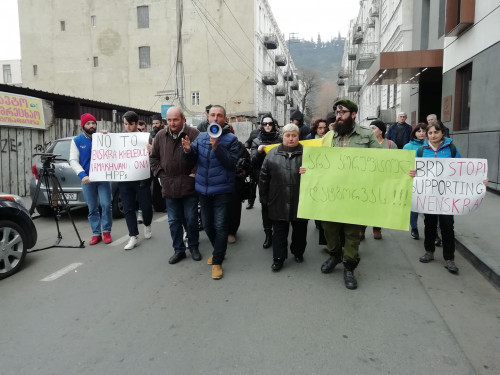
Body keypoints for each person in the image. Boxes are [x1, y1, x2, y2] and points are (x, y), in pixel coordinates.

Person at [318, 99, 381, 290]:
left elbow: (383, 160)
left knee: (352, 231)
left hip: (356, 192)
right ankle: (335, 254)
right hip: (333, 191)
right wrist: (308, 170)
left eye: (342, 112)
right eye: (336, 113)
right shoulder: (330, 136)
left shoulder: (366, 135)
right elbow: (319, 162)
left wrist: (404, 170)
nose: (338, 116)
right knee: (328, 226)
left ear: (353, 114)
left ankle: (349, 266)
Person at [182, 105, 239, 280]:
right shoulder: (201, 138)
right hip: (203, 190)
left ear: (224, 119)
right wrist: (187, 150)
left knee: (220, 225)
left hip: (222, 190)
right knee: (207, 225)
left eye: (219, 115)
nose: (215, 118)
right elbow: (191, 160)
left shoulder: (231, 140)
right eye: (212, 115)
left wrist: (217, 148)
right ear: (208, 117)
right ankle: (218, 250)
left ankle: (217, 262)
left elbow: (231, 164)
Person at [150, 107, 201, 264]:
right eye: (169, 120)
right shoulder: (160, 135)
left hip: (188, 185)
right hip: (169, 185)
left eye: (175, 120)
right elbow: (154, 159)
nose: (172, 123)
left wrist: (195, 172)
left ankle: (193, 246)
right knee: (173, 221)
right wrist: (161, 175)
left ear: (183, 119)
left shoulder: (194, 134)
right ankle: (179, 250)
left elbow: (202, 157)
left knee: (191, 219)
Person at [259, 123, 308, 271]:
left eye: (294, 136)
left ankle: (298, 252)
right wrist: (264, 199)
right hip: (278, 200)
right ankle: (278, 258)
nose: (291, 139)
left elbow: (319, 174)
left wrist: (309, 171)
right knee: (279, 232)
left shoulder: (308, 154)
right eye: (288, 135)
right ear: (283, 136)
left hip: (300, 200)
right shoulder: (272, 154)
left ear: (299, 137)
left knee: (300, 231)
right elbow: (263, 178)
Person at [416, 121, 462, 273]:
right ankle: (429, 252)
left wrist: (479, 179)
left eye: (436, 132)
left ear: (442, 133)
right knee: (429, 224)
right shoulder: (422, 151)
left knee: (447, 226)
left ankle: (449, 258)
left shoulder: (452, 149)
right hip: (428, 195)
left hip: (447, 196)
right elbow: (415, 169)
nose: (433, 135)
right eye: (430, 133)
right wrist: (412, 172)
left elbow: (464, 169)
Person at [69, 113, 112, 245]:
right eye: (88, 123)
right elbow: (73, 160)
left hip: (103, 178)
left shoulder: (102, 138)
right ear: (83, 126)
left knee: (106, 205)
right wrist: (82, 175)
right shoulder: (76, 141)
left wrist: (108, 136)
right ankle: (96, 233)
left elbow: (114, 150)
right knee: (92, 208)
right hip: (88, 180)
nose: (91, 125)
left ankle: (106, 231)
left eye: (93, 123)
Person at [358, 120, 399, 241]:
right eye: (369, 128)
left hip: (383, 181)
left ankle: (377, 228)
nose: (370, 130)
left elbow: (398, 163)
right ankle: (361, 228)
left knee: (380, 205)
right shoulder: (364, 144)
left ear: (381, 131)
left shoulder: (391, 145)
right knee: (364, 205)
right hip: (367, 180)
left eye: (373, 128)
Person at [119, 111, 153, 250]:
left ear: (136, 123)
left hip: (141, 178)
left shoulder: (145, 137)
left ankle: (147, 223)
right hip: (125, 179)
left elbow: (156, 155)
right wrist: (104, 137)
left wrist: (152, 149)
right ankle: (133, 235)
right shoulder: (119, 138)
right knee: (128, 208)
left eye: (130, 124)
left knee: (145, 206)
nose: (128, 127)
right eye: (125, 124)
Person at [250, 114, 282, 249]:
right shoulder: (256, 141)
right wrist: (258, 152)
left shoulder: (281, 140)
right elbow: (252, 161)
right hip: (263, 179)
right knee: (265, 207)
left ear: (274, 125)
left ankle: (279, 233)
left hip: (280, 179)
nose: (267, 126)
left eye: (270, 123)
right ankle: (268, 234)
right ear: (261, 126)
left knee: (279, 206)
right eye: (265, 124)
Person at [403, 122, 428, 240]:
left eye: (424, 131)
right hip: (413, 180)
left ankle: (434, 232)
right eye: (419, 131)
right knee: (414, 206)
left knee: (430, 206)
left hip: (429, 181)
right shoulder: (408, 146)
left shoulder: (431, 145)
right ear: (414, 133)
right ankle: (414, 227)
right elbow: (403, 165)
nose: (422, 133)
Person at [228, 132, 251, 244]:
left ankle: (232, 231)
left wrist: (243, 172)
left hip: (235, 183)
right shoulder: (212, 143)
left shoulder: (239, 146)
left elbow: (247, 162)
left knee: (234, 209)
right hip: (217, 183)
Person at [149, 114, 166, 213]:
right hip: (154, 164)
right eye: (153, 123)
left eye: (156, 123)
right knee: (155, 186)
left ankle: (164, 205)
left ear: (161, 123)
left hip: (164, 163)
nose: (155, 125)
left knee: (163, 185)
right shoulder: (150, 134)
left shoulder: (165, 133)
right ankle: (158, 206)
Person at [243, 123, 261, 210]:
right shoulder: (254, 133)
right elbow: (247, 142)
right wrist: (246, 147)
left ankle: (265, 204)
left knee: (264, 187)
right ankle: (250, 202)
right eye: (262, 123)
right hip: (254, 164)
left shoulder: (273, 135)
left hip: (265, 164)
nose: (265, 125)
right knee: (252, 185)